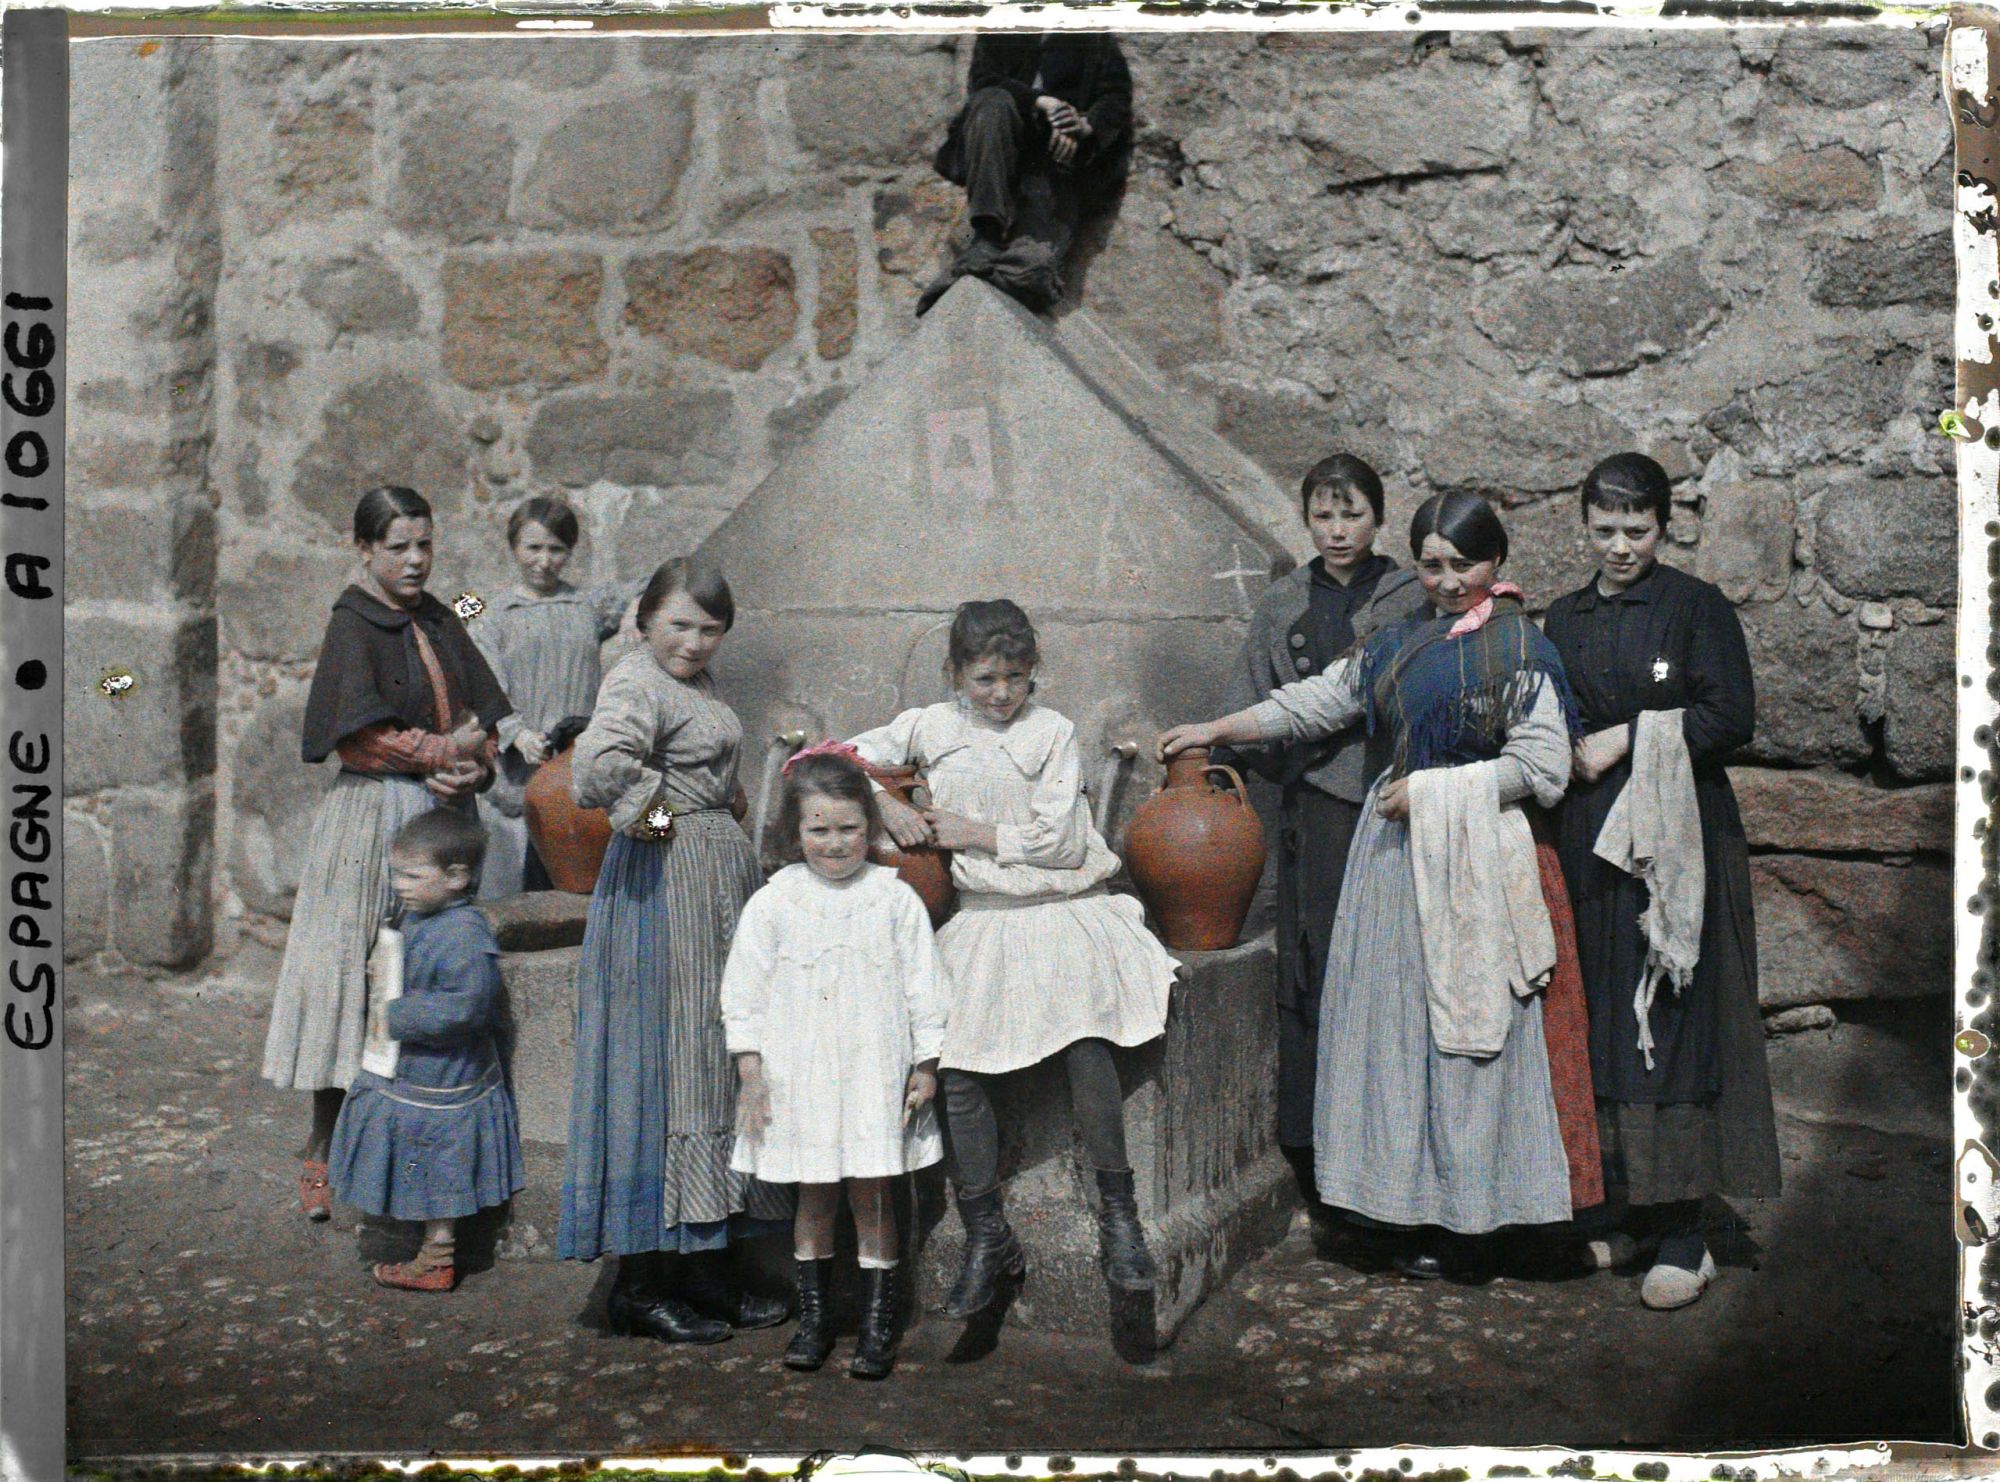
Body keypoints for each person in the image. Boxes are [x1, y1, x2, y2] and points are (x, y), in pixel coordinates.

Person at [1160, 493, 1599, 1276]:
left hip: (1474, 863)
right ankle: (1407, 1214)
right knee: (1398, 1035)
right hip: (1394, 866)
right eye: (1432, 564)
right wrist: (1217, 730)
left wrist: (1434, 793)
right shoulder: (1397, 645)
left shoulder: (1520, 651)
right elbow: (1317, 702)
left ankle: (1478, 1225)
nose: (1449, 580)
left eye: (1465, 563)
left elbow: (1544, 767)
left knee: (1470, 1040)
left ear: (1497, 562)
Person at [849, 600, 1180, 1337]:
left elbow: (1061, 842)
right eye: (985, 678)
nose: (1000, 693)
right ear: (955, 674)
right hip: (984, 921)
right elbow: (830, 758)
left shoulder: (1051, 732)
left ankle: (1118, 1221)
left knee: (1083, 1038)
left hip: (1060, 909)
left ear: (1033, 676)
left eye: (1015, 678)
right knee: (954, 1065)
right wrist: (884, 802)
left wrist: (974, 830)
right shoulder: (928, 725)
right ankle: (986, 1232)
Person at [1542, 453, 1781, 1310]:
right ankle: (1624, 1209)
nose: (1619, 547)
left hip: (1676, 847)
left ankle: (1687, 1232)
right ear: (1584, 526)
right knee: (1603, 1015)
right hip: (1589, 846)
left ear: (1664, 527)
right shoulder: (1562, 619)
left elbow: (1730, 716)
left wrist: (1629, 737)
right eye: (1603, 530)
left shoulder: (1693, 608)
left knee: (1671, 1019)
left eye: (1635, 531)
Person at [557, 557, 791, 1345]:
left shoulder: (695, 684)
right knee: (665, 1070)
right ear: (646, 618)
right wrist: (672, 829)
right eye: (679, 624)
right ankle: (640, 1285)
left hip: (711, 889)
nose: (693, 642)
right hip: (665, 893)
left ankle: (704, 1271)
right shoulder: (634, 679)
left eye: (710, 628)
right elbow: (595, 771)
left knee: (708, 1064)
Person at [263, 486, 510, 1225]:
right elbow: (357, 734)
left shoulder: (441, 615)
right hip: (374, 819)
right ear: (365, 551)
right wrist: (442, 750)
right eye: (398, 546)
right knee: (358, 975)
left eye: (424, 544)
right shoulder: (353, 621)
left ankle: (419, 1160)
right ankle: (322, 1146)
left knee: (431, 979)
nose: (414, 559)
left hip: (443, 820)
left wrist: (477, 765)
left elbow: (481, 717)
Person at [1211, 454, 1426, 1223]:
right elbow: (1251, 706)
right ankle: (1316, 1160)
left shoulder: (1410, 594)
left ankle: (1391, 1162)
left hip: (1393, 801)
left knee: (1384, 970)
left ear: (1379, 517)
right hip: (1315, 814)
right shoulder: (1282, 604)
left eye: (1353, 514)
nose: (1338, 532)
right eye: (1323, 517)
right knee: (1314, 968)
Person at [721, 744, 950, 1380]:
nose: (835, 843)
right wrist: (751, 1070)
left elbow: (924, 989)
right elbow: (743, 992)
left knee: (874, 1194)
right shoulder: (773, 901)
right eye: (818, 830)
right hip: (802, 1076)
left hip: (875, 1073)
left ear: (870, 830)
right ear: (795, 833)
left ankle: (879, 1320)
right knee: (815, 1195)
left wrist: (924, 1066)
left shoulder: (894, 898)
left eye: (849, 829)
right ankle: (816, 1316)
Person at [327, 808, 524, 1292]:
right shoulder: (423, 917)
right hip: (414, 1068)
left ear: (457, 877)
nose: (400, 885)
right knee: (423, 1158)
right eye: (396, 874)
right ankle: (421, 1242)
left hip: (441, 1076)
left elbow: (467, 1006)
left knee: (437, 1162)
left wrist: (395, 1016)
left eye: (414, 875)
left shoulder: (463, 934)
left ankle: (437, 1257)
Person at [470, 496, 637, 898]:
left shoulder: (590, 606)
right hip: (519, 766)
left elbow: (655, 587)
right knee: (511, 890)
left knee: (578, 878)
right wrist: (518, 734)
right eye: (533, 548)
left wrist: (636, 611)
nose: (544, 560)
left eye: (556, 549)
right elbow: (487, 685)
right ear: (514, 547)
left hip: (576, 762)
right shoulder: (490, 613)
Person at [917, 32, 1132, 315]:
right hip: (1002, 153)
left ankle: (977, 273)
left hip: (1054, 168)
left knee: (1034, 268)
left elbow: (1115, 95)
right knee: (991, 101)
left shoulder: (1091, 35)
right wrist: (1043, 103)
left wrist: (1081, 126)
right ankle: (987, 235)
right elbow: (984, 82)